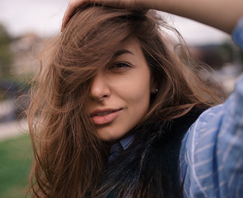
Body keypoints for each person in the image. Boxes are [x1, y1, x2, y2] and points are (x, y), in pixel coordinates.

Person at [28, 0, 243, 197]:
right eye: (81, 71)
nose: (96, 90)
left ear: (155, 77)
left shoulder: (191, 152)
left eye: (119, 65)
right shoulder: (76, 162)